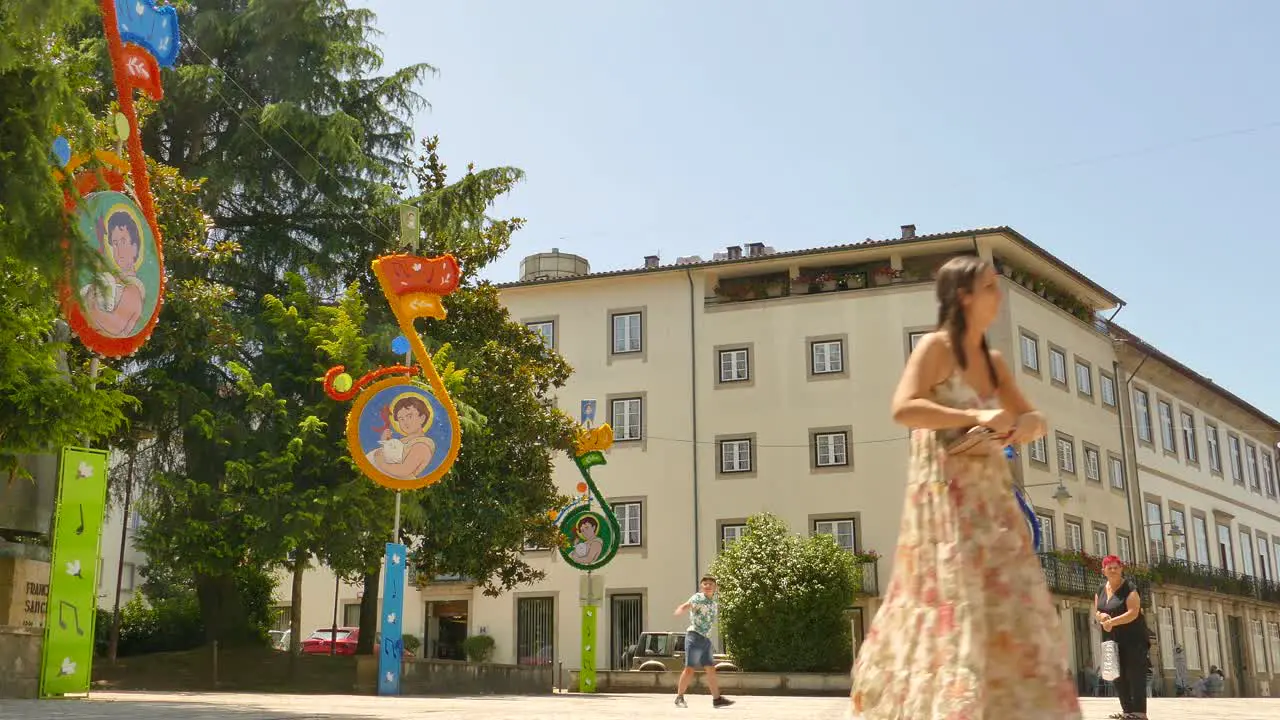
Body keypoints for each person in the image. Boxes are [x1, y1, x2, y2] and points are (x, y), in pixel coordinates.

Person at [850, 255, 1080, 719]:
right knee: (953, 600)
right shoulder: (935, 348)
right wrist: (974, 416)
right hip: (945, 499)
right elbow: (904, 408)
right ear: (963, 296)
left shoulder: (992, 362)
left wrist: (1020, 427)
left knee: (1003, 599)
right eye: (991, 286)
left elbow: (1032, 417)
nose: (999, 295)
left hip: (990, 496)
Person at [1095, 554, 1150, 719]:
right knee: (1117, 674)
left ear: (1121, 569)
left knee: (1135, 674)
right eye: (1109, 567)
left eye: (1116, 567)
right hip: (1111, 639)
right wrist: (1102, 617)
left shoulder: (1130, 588)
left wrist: (1112, 622)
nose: (1112, 570)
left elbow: (1133, 613)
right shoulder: (1100, 589)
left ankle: (1140, 713)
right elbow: (1097, 610)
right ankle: (1127, 711)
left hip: (1133, 639)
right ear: (1103, 571)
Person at [82, 209, 146, 337]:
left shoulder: (134, 289)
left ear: (135, 247)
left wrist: (91, 302)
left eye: (123, 241)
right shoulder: (111, 278)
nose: (118, 249)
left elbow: (115, 326)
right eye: (115, 243)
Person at [673, 575, 734, 709]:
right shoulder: (698, 598)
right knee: (689, 669)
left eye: (710, 584)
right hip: (694, 636)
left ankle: (717, 699)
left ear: (715, 587)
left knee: (711, 669)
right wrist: (681, 609)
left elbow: (724, 590)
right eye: (705, 584)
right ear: (701, 587)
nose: (707, 586)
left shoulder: (715, 599)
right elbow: (687, 605)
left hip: (705, 639)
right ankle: (679, 697)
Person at [368, 394, 436, 478]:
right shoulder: (405, 441)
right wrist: (386, 443)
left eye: (409, 416)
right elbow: (392, 457)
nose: (405, 422)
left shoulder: (422, 446)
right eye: (401, 419)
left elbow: (403, 470)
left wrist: (379, 460)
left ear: (422, 418)